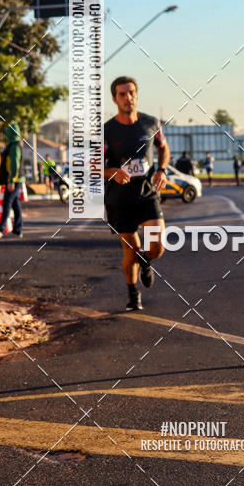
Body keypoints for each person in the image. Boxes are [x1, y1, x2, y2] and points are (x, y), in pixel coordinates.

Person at [104, 76, 170, 311]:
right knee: (129, 252)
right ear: (114, 99)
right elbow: (92, 166)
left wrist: (161, 170)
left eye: (131, 92)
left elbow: (163, 148)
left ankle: (147, 261)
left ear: (137, 95)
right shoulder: (107, 130)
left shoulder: (151, 123)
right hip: (119, 198)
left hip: (147, 193)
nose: (127, 97)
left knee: (157, 246)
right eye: (122, 94)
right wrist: (112, 171)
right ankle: (133, 296)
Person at [0, 122, 24, 239]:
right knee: (15, 204)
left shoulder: (15, 147)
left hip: (14, 179)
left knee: (7, 203)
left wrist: (12, 180)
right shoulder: (12, 145)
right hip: (14, 179)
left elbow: (15, 164)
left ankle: (0, 228)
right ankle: (18, 230)